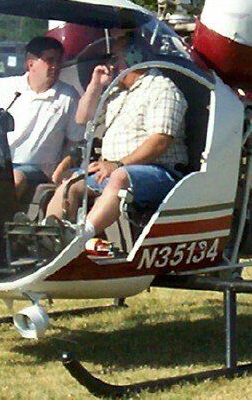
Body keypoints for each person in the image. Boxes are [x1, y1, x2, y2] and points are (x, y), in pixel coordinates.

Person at [45, 32, 187, 251]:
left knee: (120, 178)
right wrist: (96, 84)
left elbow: (160, 141)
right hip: (113, 170)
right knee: (72, 183)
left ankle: (82, 236)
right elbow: (83, 118)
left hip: (159, 172)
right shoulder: (118, 93)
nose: (110, 64)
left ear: (133, 58)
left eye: (114, 58)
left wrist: (119, 164)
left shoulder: (162, 88)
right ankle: (49, 237)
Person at [0, 36, 84, 198]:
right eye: (50, 60)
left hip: (38, 169)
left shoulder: (68, 96)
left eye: (58, 61)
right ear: (30, 64)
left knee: (16, 178)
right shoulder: (3, 88)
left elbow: (75, 142)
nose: (55, 66)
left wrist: (60, 170)